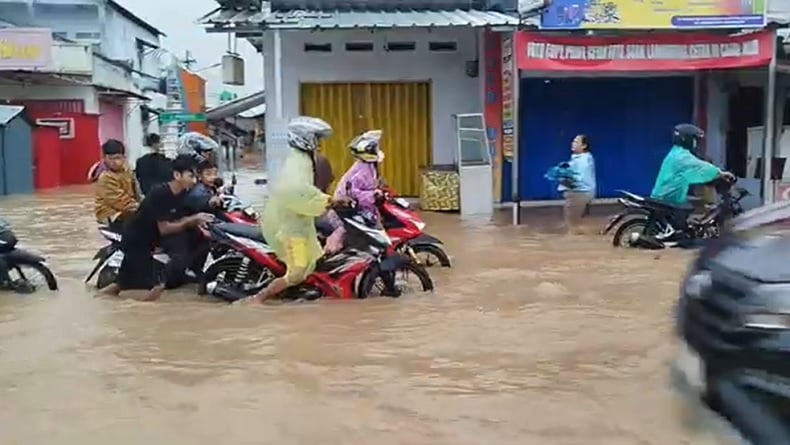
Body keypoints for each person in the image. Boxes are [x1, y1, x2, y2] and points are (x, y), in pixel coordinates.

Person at [248, 116, 351, 304]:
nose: (319, 143)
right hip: (290, 228)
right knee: (297, 273)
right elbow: (298, 192)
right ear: (305, 138)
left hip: (300, 224)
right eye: (316, 138)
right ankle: (258, 299)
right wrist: (330, 201)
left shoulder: (305, 160)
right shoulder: (298, 163)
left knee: (316, 260)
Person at [98, 155, 214, 302]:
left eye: (196, 177)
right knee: (154, 287)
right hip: (136, 241)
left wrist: (198, 221)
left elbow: (182, 215)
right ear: (177, 175)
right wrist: (193, 220)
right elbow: (164, 229)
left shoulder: (182, 193)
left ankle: (99, 301)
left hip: (148, 240)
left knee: (122, 284)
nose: (194, 181)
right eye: (190, 176)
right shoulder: (160, 194)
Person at [651, 123, 735, 233]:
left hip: (666, 195)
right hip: (670, 198)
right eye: (694, 139)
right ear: (687, 139)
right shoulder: (682, 156)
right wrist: (720, 173)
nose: (696, 143)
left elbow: (692, 171)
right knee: (698, 205)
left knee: (697, 202)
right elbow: (699, 166)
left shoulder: (676, 152)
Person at [324, 130, 385, 253]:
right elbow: (354, 192)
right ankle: (329, 253)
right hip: (344, 210)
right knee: (343, 232)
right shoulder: (362, 170)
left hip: (356, 208)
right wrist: (373, 195)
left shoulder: (367, 166)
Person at [94, 139, 140, 231]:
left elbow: (137, 193)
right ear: (104, 158)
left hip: (128, 211)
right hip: (112, 215)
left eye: (117, 158)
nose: (114, 162)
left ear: (124, 157)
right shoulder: (106, 177)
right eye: (110, 158)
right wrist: (141, 208)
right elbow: (120, 201)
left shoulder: (128, 171)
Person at [559, 134, 596, 234]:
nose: (573, 143)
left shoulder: (584, 160)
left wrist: (561, 177)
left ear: (584, 146)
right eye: (573, 141)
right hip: (582, 193)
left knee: (572, 226)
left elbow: (578, 179)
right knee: (575, 223)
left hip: (579, 194)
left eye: (576, 142)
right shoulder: (581, 158)